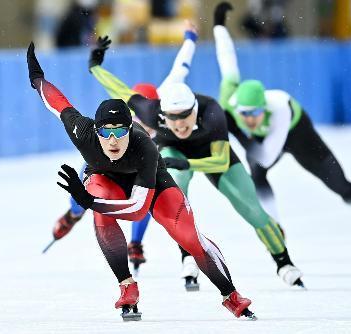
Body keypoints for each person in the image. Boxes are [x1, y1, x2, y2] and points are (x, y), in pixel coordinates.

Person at [27, 42, 257, 321]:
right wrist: (38, 80)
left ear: (131, 127)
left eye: (120, 131)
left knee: (188, 236)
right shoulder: (82, 131)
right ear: (95, 131)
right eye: (106, 132)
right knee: (99, 212)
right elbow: (58, 103)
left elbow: (137, 211)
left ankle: (230, 294)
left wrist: (90, 202)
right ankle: (127, 286)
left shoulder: (145, 146)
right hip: (105, 177)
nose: (113, 140)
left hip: (150, 180)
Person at [88, 36, 305, 288]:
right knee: (176, 187)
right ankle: (187, 254)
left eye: (185, 117)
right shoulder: (150, 111)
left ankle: (284, 262)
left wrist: (190, 164)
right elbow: (121, 91)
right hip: (175, 152)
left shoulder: (212, 112)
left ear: (194, 110)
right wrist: (95, 66)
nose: (179, 124)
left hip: (212, 154)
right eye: (173, 118)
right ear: (162, 115)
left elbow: (221, 159)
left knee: (252, 209)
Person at [213, 2, 351, 239]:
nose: (249, 119)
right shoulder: (230, 97)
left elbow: (267, 155)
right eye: (244, 114)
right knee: (256, 174)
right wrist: (219, 24)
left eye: (254, 114)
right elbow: (227, 58)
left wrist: (237, 131)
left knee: (339, 183)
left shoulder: (279, 107)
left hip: (296, 132)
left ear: (264, 108)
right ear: (236, 107)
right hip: (263, 139)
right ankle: (274, 226)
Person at [52, 22, 200, 275]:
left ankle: (135, 242)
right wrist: (94, 64)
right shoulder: (126, 113)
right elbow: (110, 83)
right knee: (83, 195)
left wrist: (190, 38)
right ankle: (73, 213)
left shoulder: (165, 105)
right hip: (105, 158)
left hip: (136, 163)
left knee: (145, 193)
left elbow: (181, 68)